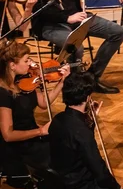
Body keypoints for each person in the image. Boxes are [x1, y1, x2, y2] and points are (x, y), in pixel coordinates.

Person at [0, 39, 70, 173]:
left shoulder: (28, 80)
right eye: (26, 61)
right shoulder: (3, 94)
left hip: (33, 136)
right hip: (19, 146)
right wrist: (40, 131)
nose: (31, 64)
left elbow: (44, 104)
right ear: (12, 65)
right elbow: (8, 135)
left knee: (68, 141)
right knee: (62, 157)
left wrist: (61, 83)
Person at [49, 72, 123, 189]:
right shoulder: (82, 132)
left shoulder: (58, 119)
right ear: (88, 98)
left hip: (61, 183)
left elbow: (77, 143)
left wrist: (91, 120)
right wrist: (115, 187)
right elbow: (98, 168)